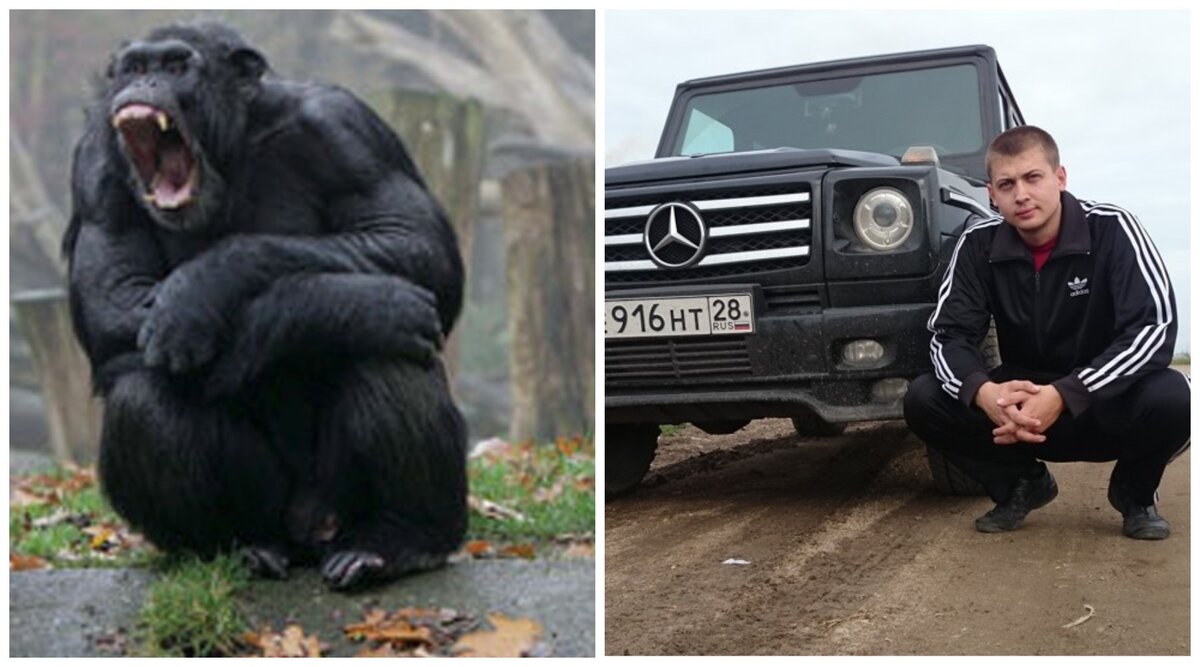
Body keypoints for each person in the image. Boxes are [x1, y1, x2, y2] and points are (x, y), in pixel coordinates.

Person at [903, 125, 1189, 540]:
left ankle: (1134, 493)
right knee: (924, 398)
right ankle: (1021, 483)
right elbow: (949, 336)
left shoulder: (1113, 228)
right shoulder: (977, 244)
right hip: (1018, 411)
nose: (1021, 194)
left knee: (1175, 397)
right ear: (992, 194)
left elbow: (1153, 328)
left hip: (1101, 403)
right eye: (1007, 183)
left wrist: (1067, 393)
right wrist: (987, 394)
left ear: (1060, 178)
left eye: (1032, 178)